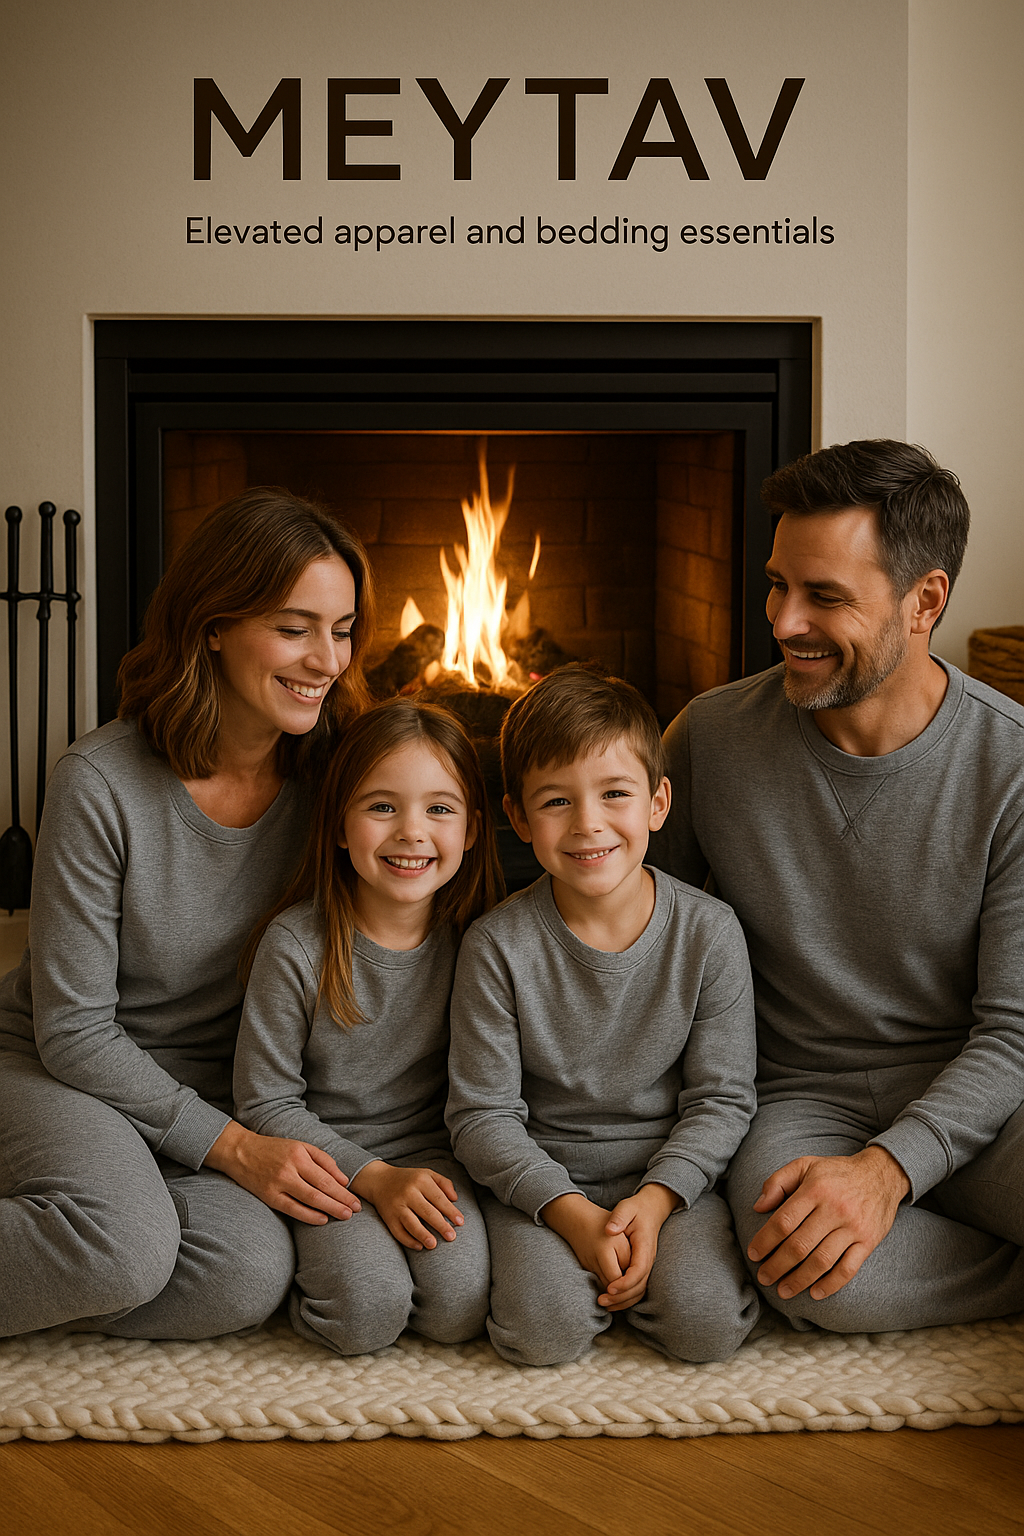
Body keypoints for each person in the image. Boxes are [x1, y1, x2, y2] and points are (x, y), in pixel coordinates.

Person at [652, 438, 1024, 1333]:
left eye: (825, 596)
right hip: (800, 1098)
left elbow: (1014, 1033)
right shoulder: (708, 738)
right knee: (804, 1270)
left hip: (980, 1091)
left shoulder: (1011, 765)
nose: (784, 622)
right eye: (778, 585)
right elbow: (638, 934)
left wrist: (890, 1171)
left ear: (924, 600)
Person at [0, 487, 376, 1340]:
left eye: (342, 629)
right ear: (212, 625)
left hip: (205, 1094)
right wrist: (235, 1149)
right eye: (295, 628)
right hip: (59, 1069)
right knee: (126, 1250)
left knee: (244, 1273)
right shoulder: (101, 781)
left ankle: (80, 1231)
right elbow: (74, 1032)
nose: (327, 660)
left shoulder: (336, 782)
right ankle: (93, 1228)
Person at [446, 664, 761, 1366]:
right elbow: (481, 1116)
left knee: (705, 1324)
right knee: (542, 1331)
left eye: (614, 793)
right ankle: (580, 1273)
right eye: (557, 801)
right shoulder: (495, 946)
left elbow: (723, 1098)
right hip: (542, 1182)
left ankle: (646, 1265)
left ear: (657, 802)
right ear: (519, 819)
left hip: (667, 1178)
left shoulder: (710, 932)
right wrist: (573, 1216)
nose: (588, 822)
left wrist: (657, 1200)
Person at [233, 697, 501, 1355]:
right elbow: (264, 1102)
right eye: (382, 806)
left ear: (472, 829)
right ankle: (306, 1270)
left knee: (458, 1309)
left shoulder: (480, 942)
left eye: (439, 809)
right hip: (322, 1161)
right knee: (364, 1312)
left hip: (432, 1157)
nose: (412, 832)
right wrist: (373, 1178)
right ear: (338, 825)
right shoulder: (296, 946)